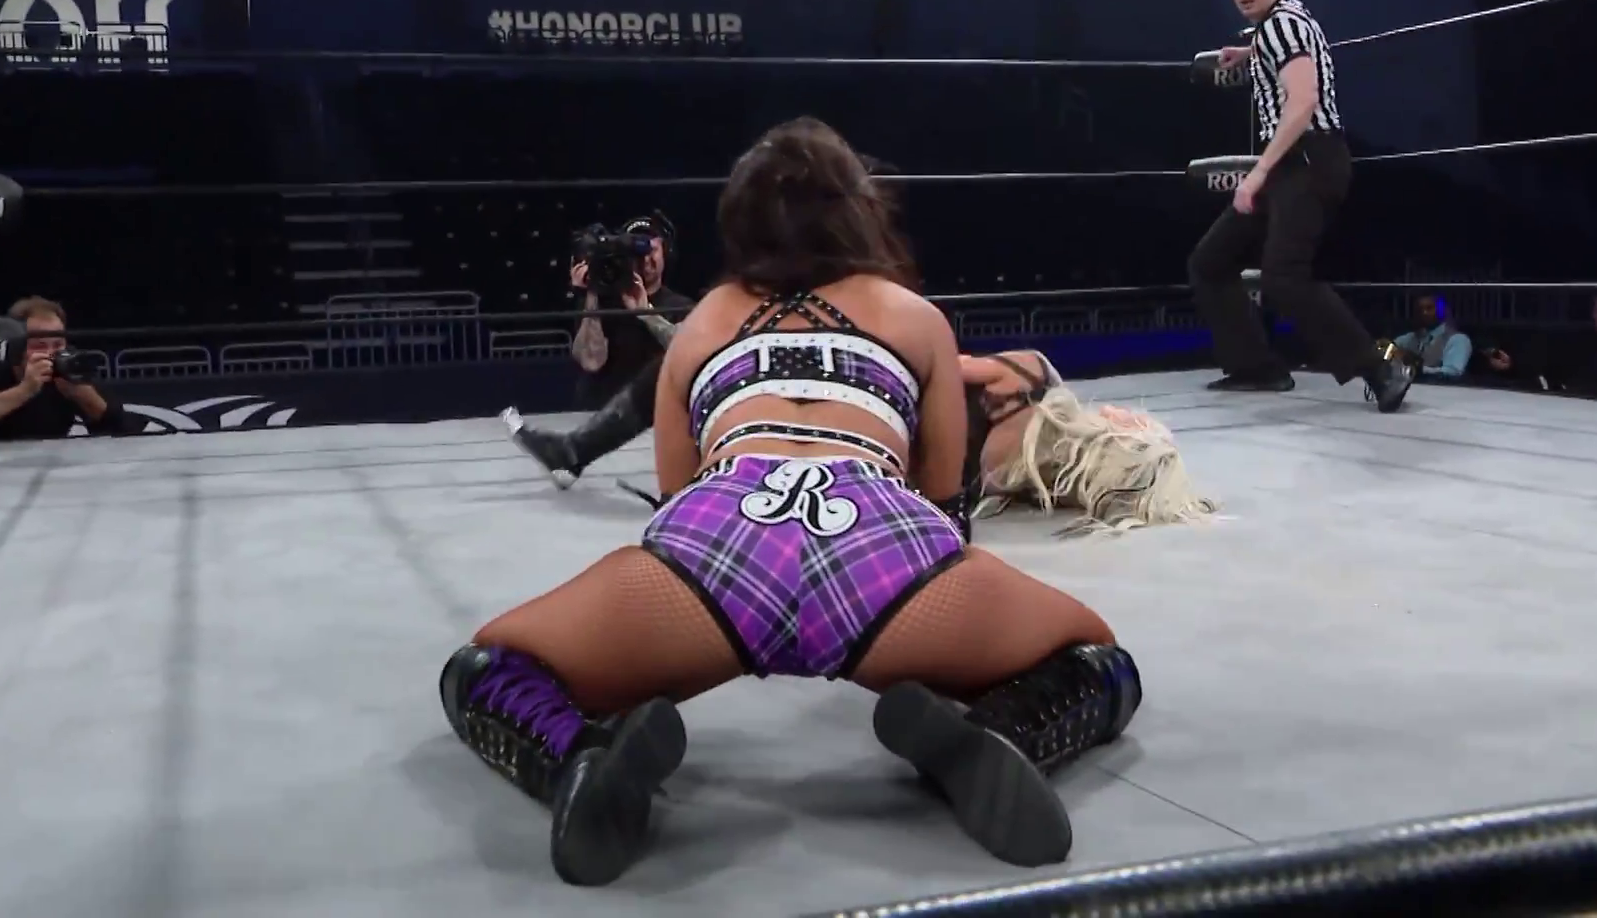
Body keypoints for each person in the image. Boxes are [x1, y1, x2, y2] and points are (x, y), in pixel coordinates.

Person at [441, 118, 1139, 886]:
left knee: (488, 669)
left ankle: (574, 760)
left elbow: (676, 500)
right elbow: (946, 503)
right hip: (881, 546)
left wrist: (671, 625)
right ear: (859, 209)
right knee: (1096, 659)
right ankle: (1004, 732)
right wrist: (945, 626)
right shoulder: (915, 317)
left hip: (721, 540)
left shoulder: (700, 324)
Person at [502, 158, 903, 490]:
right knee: (678, 362)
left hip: (830, 402)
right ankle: (580, 452)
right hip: (789, 390)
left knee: (686, 359)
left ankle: (588, 454)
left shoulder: (878, 297)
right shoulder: (765, 288)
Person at [1189, 0, 1411, 412]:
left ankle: (1381, 368)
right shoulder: (1281, 22)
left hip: (1308, 160)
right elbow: (1288, 48)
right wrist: (1249, 52)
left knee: (1283, 277)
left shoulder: (1280, 26)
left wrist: (1257, 173)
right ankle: (1256, 367)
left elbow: (1303, 100)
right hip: (1294, 163)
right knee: (1210, 261)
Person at [504, 216, 692, 486]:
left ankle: (570, 453)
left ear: (666, 253)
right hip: (597, 412)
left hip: (651, 425)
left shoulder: (681, 305)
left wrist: (645, 313)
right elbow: (590, 361)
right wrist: (592, 293)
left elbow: (689, 354)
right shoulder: (602, 302)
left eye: (652, 249)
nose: (646, 258)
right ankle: (571, 453)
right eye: (638, 251)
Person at [958, 352, 1217, 533]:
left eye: (1137, 418)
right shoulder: (1027, 485)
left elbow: (939, 362)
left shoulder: (1031, 376)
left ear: (1119, 433)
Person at [0, 296, 127, 440]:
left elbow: (123, 428)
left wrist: (83, 395)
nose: (50, 353)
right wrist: (24, 390)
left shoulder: (70, 365)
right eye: (39, 346)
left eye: (58, 344)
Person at [1486, 289, 1597, 398]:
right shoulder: (1575, 342)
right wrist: (1510, 367)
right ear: (1594, 314)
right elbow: (1540, 368)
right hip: (1578, 406)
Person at [1390, 295, 1473, 382]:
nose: (1424, 313)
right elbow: (1388, 350)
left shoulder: (1457, 340)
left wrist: (1420, 369)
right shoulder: (1408, 339)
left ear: (1441, 310)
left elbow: (1453, 372)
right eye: (1419, 310)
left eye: (1429, 308)